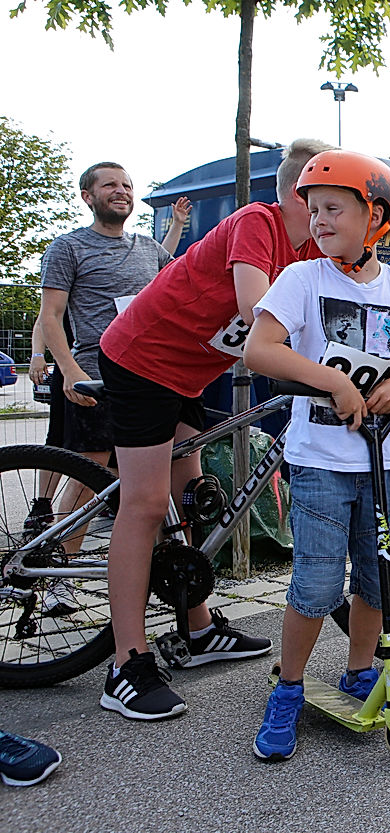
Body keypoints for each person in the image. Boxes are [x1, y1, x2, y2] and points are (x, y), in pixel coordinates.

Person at [95, 138, 334, 721]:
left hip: (187, 375)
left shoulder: (308, 256)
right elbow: (257, 313)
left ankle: (197, 629)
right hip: (142, 359)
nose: (335, 215)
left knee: (195, 502)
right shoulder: (259, 221)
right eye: (327, 200)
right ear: (301, 194)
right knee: (146, 504)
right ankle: (126, 663)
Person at [245, 150, 390, 762]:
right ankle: (288, 689)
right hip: (320, 461)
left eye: (332, 209)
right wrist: (333, 382)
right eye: (311, 209)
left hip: (387, 460)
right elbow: (260, 350)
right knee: (315, 585)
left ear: (376, 217)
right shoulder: (303, 280)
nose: (317, 220)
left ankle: (360, 671)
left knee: (378, 581)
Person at [28, 165, 190, 615]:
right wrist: (68, 370)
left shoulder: (148, 248)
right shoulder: (68, 247)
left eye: (127, 186)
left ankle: (158, 580)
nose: (121, 192)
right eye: (109, 186)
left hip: (149, 373)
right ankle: (58, 571)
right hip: (96, 369)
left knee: (142, 482)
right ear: (87, 196)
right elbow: (50, 315)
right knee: (89, 475)